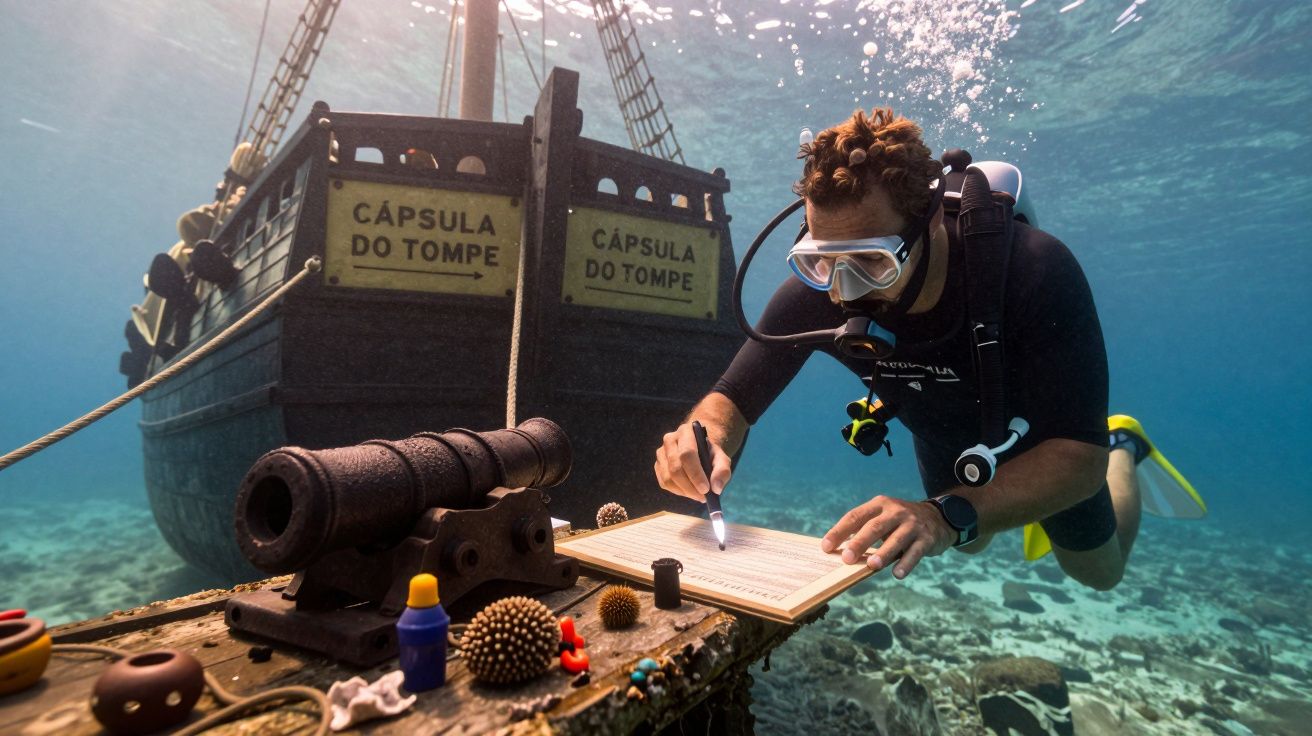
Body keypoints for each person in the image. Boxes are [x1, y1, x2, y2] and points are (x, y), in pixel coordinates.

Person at [653, 108, 1203, 591]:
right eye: (821, 261)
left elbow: (1079, 462)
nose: (843, 291)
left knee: (1097, 574)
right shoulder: (824, 285)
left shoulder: (1035, 269)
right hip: (942, 430)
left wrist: (940, 516)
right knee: (971, 543)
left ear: (930, 225)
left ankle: (1124, 443)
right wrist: (706, 438)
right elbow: (731, 398)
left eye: (872, 262)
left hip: (1047, 442)